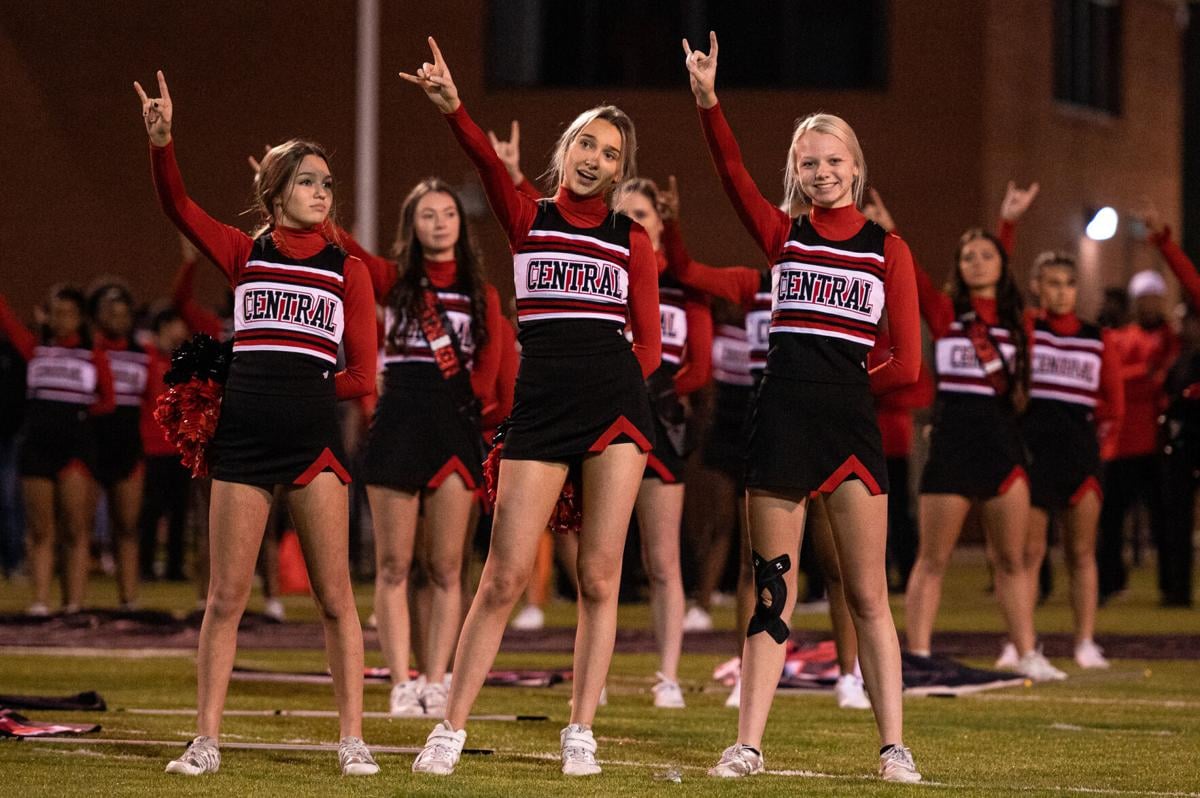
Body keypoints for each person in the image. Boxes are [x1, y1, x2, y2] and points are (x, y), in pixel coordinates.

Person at [402, 38, 660, 777]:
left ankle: (581, 728)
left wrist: (620, 403)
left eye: (610, 153)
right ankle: (448, 728)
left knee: (602, 576)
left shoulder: (630, 238)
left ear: (621, 169)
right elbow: (485, 160)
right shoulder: (528, 215)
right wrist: (453, 106)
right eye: (586, 142)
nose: (594, 158)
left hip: (613, 409)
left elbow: (648, 347)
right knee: (504, 575)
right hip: (542, 410)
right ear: (565, 148)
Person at [682, 32, 922, 782]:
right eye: (807, 163)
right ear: (796, 172)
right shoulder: (782, 235)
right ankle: (748, 745)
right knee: (772, 589)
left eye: (833, 160)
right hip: (780, 422)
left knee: (868, 593)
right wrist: (708, 100)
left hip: (848, 425)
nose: (821, 172)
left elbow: (908, 363)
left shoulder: (889, 250)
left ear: (856, 167)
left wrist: (846, 385)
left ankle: (893, 748)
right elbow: (728, 172)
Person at [133, 70, 378, 776]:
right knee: (225, 597)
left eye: (328, 183)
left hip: (312, 443)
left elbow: (362, 376)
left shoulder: (347, 270)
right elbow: (178, 205)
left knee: (335, 599)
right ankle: (205, 740)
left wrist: (300, 387)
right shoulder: (247, 253)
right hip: (241, 441)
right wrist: (161, 141)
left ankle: (352, 739)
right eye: (308, 181)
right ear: (275, 195)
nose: (322, 192)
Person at [342, 178, 503, 718]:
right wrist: (294, 202)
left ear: (461, 224)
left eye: (448, 214)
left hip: (453, 428)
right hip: (399, 422)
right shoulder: (393, 282)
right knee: (393, 565)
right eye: (427, 214)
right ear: (411, 225)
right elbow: (349, 249)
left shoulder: (484, 295)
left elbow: (486, 380)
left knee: (446, 566)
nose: (439, 222)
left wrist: (470, 407)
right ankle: (401, 681)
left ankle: (438, 679)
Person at [899, 182, 1067, 682]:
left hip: (1001, 444)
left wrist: (1008, 222)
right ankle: (919, 659)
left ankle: (1027, 651)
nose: (976, 262)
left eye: (985, 254)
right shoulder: (946, 314)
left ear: (999, 262)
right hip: (952, 442)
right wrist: (887, 227)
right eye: (967, 256)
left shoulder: (1018, 320)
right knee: (933, 560)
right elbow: (911, 273)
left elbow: (1003, 270)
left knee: (1012, 559)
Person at [1002, 251, 1124, 669]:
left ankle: (1085, 641)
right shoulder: (1028, 327)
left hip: (1079, 452)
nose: (1061, 292)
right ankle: (1022, 641)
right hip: (1034, 450)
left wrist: (1098, 448)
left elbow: (1114, 402)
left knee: (1082, 552)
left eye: (1068, 284)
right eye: (1051, 283)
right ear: (1037, 286)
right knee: (1029, 552)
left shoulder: (1096, 336)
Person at [0, 286, 114, 615]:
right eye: (56, 313)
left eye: (68, 313)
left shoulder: (92, 352)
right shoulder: (35, 347)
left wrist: (76, 414)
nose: (61, 319)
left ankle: (74, 603)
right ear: (47, 315)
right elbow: (6, 318)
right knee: (40, 529)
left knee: (76, 529)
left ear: (79, 318)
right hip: (37, 444)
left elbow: (107, 400)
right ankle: (40, 601)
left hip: (74, 446)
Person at [1097, 263, 1179, 604]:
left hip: (1159, 443)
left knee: (1166, 520)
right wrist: (1145, 375)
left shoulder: (1174, 337)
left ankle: (1171, 586)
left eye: (1155, 298)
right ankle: (1110, 583)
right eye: (1144, 299)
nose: (1149, 305)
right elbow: (1113, 379)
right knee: (1112, 518)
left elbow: (1168, 380)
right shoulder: (1122, 337)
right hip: (1123, 442)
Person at [89, 280, 152, 609]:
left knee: (127, 527)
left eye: (124, 312)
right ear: (97, 315)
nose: (118, 318)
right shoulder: (88, 350)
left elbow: (152, 400)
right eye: (110, 312)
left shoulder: (143, 354)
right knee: (80, 529)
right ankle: (74, 603)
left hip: (127, 443)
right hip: (90, 441)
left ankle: (129, 600)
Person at [137, 306, 193, 582]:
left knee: (179, 511)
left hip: (180, 449)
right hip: (153, 446)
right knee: (151, 510)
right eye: (177, 325)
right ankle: (144, 566)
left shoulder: (182, 361)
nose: (182, 331)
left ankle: (174, 566)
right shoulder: (146, 357)